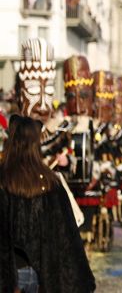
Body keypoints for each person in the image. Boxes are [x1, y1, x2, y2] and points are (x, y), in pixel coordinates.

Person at [0, 115, 95, 292]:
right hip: (40, 272)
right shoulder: (50, 182)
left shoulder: (4, 178)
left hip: (9, 273)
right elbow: (66, 233)